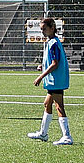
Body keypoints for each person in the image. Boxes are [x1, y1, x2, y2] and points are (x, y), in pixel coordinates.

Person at [27, 16, 72, 145]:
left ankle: (67, 136)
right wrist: (43, 66)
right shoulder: (52, 42)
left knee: (59, 106)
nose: (43, 32)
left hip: (55, 80)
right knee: (47, 104)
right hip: (53, 81)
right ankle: (43, 133)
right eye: (41, 29)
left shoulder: (53, 43)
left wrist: (41, 76)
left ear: (52, 28)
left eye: (44, 29)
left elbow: (55, 63)